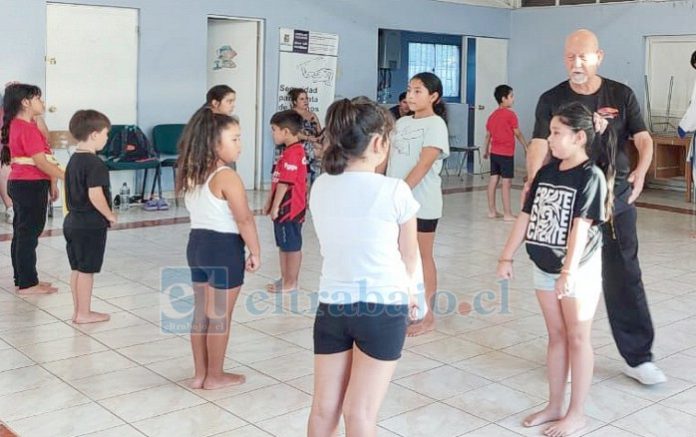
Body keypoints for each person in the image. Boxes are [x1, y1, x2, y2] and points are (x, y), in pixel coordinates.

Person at [526, 28, 666, 385]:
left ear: (598, 57)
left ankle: (638, 358)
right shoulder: (551, 98)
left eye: (583, 56)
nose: (576, 63)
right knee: (567, 276)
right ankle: (569, 355)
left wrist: (641, 169)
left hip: (614, 199)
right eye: (570, 56)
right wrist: (531, 180)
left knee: (624, 275)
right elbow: (540, 141)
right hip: (566, 204)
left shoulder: (620, 93)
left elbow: (643, 137)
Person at [307, 97, 421, 437]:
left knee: (323, 410)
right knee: (360, 414)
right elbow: (409, 255)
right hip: (383, 308)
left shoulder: (321, 186)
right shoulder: (395, 190)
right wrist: (415, 296)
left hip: (332, 307)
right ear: (377, 143)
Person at [499, 102, 610, 437]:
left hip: (577, 271)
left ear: (579, 137)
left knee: (578, 337)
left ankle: (577, 413)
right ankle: (554, 405)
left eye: (557, 133)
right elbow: (526, 216)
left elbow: (580, 226)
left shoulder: (591, 176)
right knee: (556, 336)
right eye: (550, 132)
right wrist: (506, 256)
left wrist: (568, 273)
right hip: (544, 266)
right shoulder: (547, 172)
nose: (550, 139)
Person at [176, 106, 261, 389]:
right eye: (234, 139)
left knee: (202, 313)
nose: (240, 145)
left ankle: (200, 373)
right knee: (220, 317)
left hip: (197, 245)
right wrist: (256, 251)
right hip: (223, 248)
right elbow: (244, 219)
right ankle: (215, 376)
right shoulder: (227, 176)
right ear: (215, 143)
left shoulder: (192, 172)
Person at [384, 72, 449, 336]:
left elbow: (423, 164)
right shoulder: (401, 123)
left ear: (433, 96)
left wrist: (399, 192)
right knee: (399, 257)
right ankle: (405, 308)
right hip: (394, 203)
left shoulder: (436, 125)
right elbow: (387, 158)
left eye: (418, 91)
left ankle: (427, 314)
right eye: (409, 90)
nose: (410, 96)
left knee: (421, 257)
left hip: (421, 203)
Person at [1, 84, 64, 294]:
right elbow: (41, 162)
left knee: (23, 233)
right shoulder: (25, 128)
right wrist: (67, 177)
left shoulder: (21, 125)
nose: (43, 102)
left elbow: (45, 157)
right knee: (28, 234)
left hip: (24, 184)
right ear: (25, 103)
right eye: (38, 98)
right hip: (29, 184)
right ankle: (28, 283)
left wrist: (53, 181)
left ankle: (24, 278)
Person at [64, 110, 115, 324]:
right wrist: (110, 215)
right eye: (105, 134)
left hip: (73, 221)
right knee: (87, 271)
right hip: (89, 223)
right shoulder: (95, 164)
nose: (106, 138)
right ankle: (84, 313)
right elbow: (95, 195)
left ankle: (79, 311)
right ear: (94, 134)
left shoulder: (73, 159)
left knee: (77, 269)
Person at [263, 110, 307, 294]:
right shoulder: (290, 151)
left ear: (286, 132)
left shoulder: (293, 153)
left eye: (274, 129)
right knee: (283, 245)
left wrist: (275, 207)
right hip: (283, 208)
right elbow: (277, 179)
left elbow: (285, 183)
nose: (272, 133)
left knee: (292, 246)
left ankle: (292, 282)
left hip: (289, 209)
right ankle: (285, 278)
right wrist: (269, 201)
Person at [483, 84, 528, 221]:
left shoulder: (492, 116)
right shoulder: (510, 115)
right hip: (506, 154)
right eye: (511, 96)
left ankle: (492, 211)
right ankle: (507, 213)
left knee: (493, 180)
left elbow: (488, 136)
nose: (513, 99)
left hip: (494, 153)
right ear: (504, 98)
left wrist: (485, 150)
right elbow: (517, 133)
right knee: (506, 183)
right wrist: (526, 146)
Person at [288, 88, 323, 184]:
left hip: (313, 143)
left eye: (306, 98)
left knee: (322, 148)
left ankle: (316, 185)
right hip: (298, 144)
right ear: (295, 101)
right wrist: (308, 138)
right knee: (313, 149)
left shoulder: (312, 115)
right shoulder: (290, 115)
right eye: (302, 99)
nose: (306, 101)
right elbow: (292, 133)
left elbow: (319, 132)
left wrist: (320, 137)